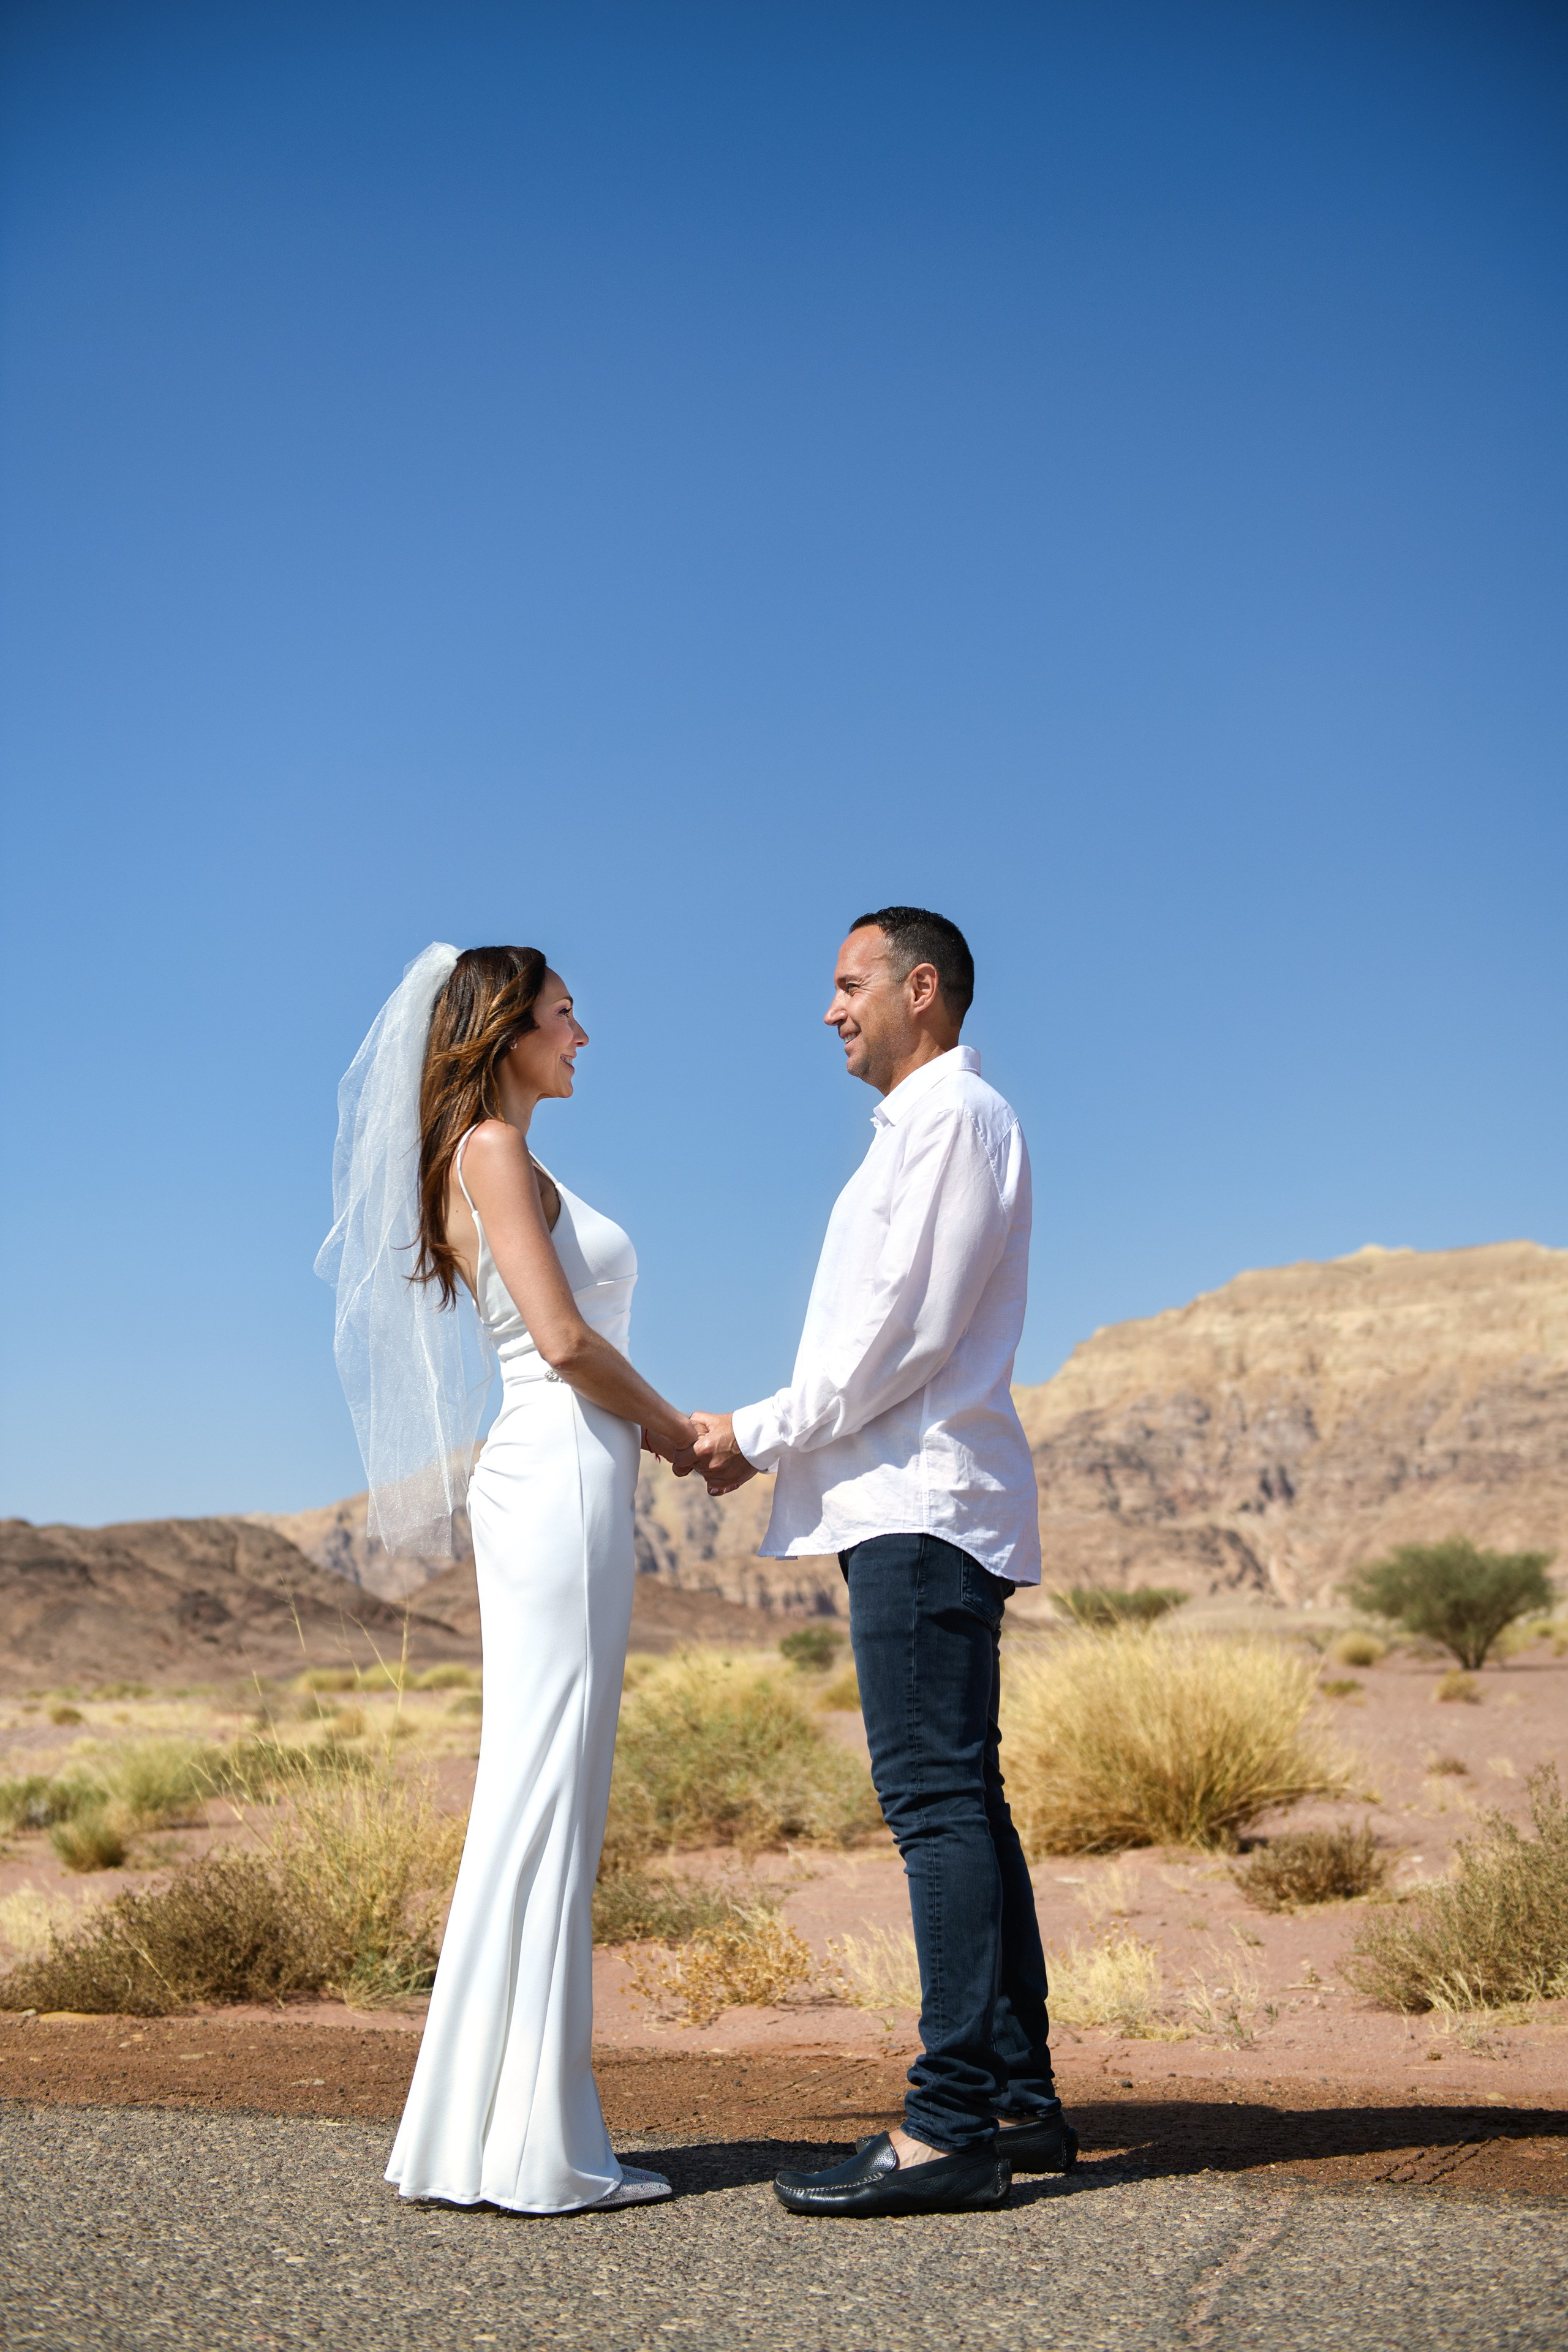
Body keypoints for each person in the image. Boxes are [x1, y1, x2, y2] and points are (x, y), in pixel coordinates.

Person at [688, 907, 1077, 2217]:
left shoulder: (954, 1122)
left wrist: (756, 1431)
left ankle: (948, 2124)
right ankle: (1013, 2102)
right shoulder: (924, 1131)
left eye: (847, 985)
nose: (827, 1009)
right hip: (910, 1505)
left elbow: (897, 1335)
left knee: (934, 1805)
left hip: (918, 1508)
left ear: (922, 989)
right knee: (964, 1795)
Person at [317, 943, 696, 2214]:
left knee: (543, 1792)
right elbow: (563, 1339)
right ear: (504, 1031)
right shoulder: (489, 1151)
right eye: (564, 1014)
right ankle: (532, 2147)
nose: (582, 1035)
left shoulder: (496, 1155)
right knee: (545, 1790)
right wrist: (682, 1432)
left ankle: (482, 2135)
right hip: (560, 1466)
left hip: (558, 1470)